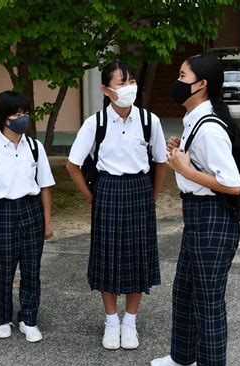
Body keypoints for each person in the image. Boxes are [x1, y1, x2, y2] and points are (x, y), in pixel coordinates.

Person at [150, 53, 240, 366]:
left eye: (182, 74)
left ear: (201, 84)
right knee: (185, 290)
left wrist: (186, 171)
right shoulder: (195, 119)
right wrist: (181, 152)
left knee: (208, 298)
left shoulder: (209, 129)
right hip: (197, 216)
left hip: (213, 218)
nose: (177, 80)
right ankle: (183, 356)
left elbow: (233, 184)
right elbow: (199, 163)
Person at [66, 61, 167, 350]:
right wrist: (90, 195)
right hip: (107, 190)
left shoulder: (150, 121)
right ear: (106, 89)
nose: (128, 88)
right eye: (121, 83)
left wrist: (153, 196)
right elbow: (73, 165)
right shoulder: (94, 123)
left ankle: (130, 321)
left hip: (139, 189)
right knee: (107, 256)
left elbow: (160, 162)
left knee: (137, 256)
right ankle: (111, 321)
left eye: (131, 81)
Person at [0, 91, 55, 343]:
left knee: (32, 269)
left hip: (31, 210)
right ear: (3, 118)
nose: (23, 118)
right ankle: (2, 318)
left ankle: (28, 319)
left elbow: (45, 186)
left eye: (25, 113)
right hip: (1, 213)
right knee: (4, 271)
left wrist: (47, 221)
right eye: (16, 114)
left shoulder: (35, 147)